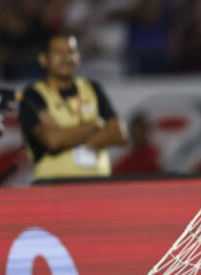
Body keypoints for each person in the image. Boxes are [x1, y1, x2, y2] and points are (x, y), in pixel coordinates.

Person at [19, 34, 128, 181]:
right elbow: (52, 141)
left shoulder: (92, 88)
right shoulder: (33, 95)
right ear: (43, 59)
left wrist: (71, 137)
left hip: (100, 184)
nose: (66, 58)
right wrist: (94, 125)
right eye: (58, 52)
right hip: (54, 186)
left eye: (71, 52)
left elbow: (120, 133)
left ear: (79, 57)